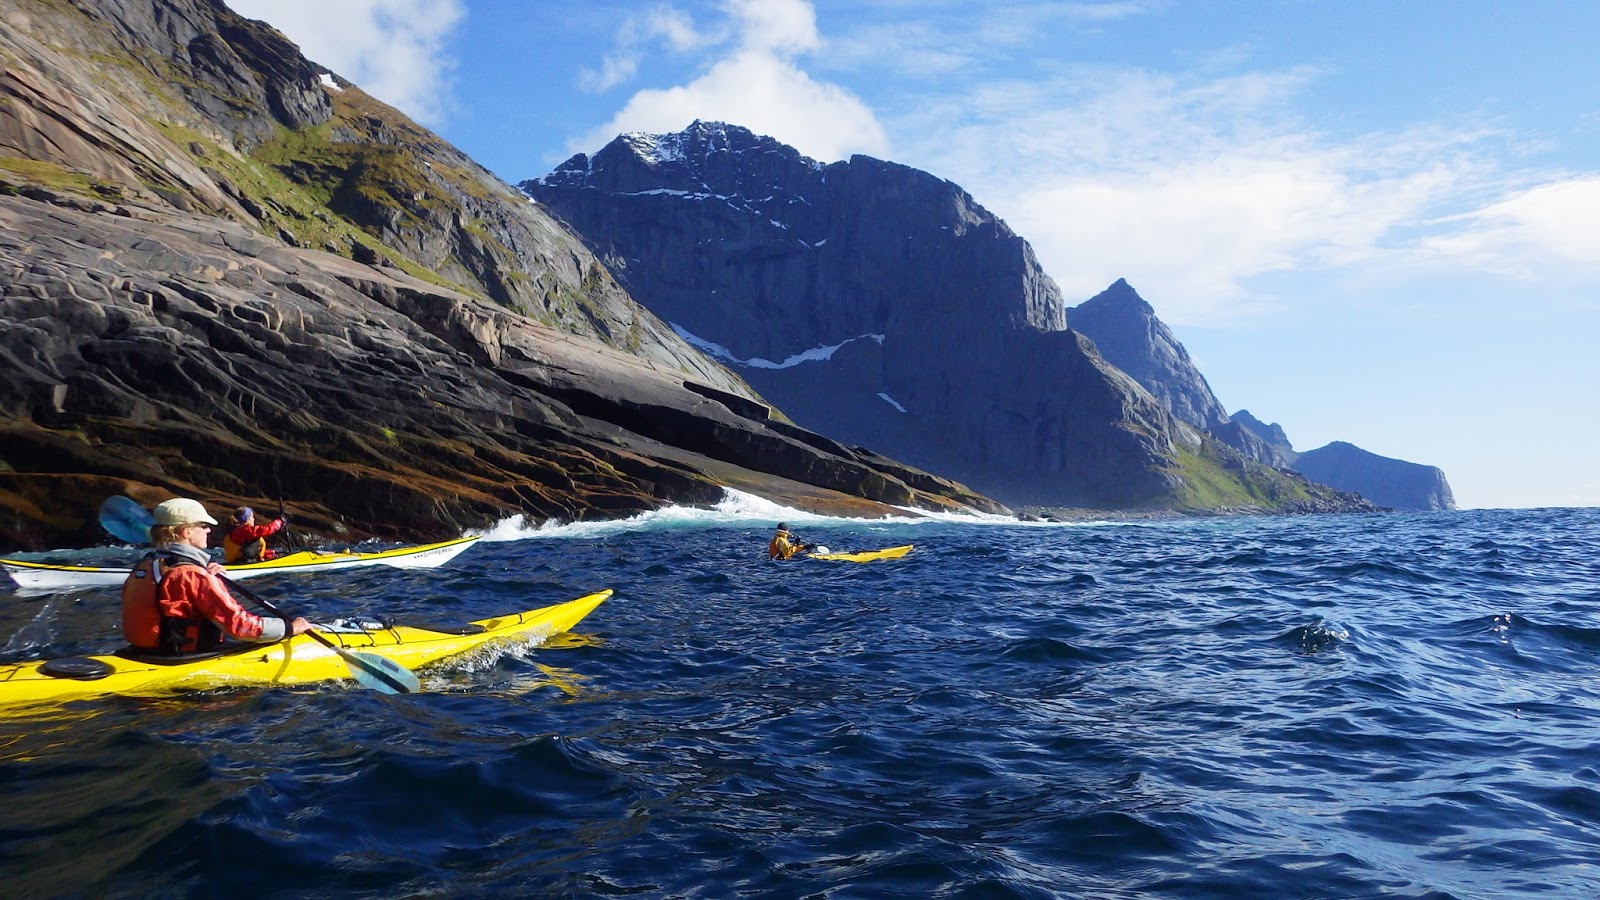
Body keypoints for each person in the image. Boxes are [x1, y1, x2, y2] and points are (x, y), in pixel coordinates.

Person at [122, 497, 310, 655]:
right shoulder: (193, 575)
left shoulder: (143, 566)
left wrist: (206, 575)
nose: (209, 530)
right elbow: (239, 626)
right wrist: (288, 628)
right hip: (181, 657)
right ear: (186, 532)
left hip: (142, 653)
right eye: (203, 526)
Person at [222, 505, 287, 565]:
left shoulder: (235, 529)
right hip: (243, 562)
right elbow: (266, 530)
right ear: (247, 519)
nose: (254, 519)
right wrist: (279, 522)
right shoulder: (243, 531)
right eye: (252, 517)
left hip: (241, 560)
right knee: (257, 541)